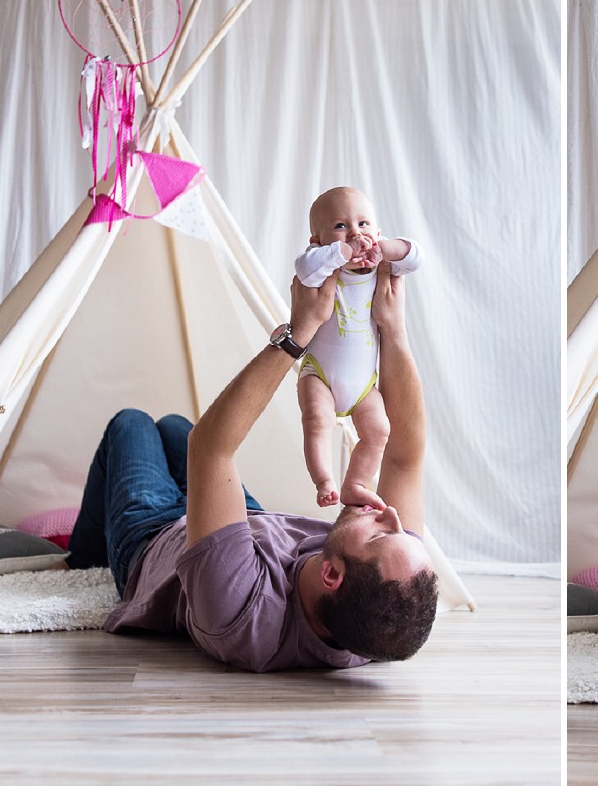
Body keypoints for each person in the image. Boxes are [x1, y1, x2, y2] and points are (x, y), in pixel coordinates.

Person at [68, 261, 439, 672]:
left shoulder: (241, 611)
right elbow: (406, 453)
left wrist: (299, 333)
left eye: (379, 534)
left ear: (332, 577)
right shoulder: (377, 618)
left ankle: (81, 557)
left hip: (153, 535)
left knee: (132, 422)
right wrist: (394, 329)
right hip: (247, 522)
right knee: (174, 426)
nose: (389, 514)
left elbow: (210, 449)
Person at [295, 185, 423, 507]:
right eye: (340, 226)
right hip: (320, 376)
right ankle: (324, 479)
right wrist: (342, 253)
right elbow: (304, 268)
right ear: (318, 242)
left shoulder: (382, 267)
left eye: (363, 224)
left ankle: (356, 483)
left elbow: (415, 257)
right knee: (316, 420)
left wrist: (386, 248)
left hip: (364, 386)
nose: (355, 232)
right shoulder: (323, 271)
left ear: (377, 232)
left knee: (379, 431)